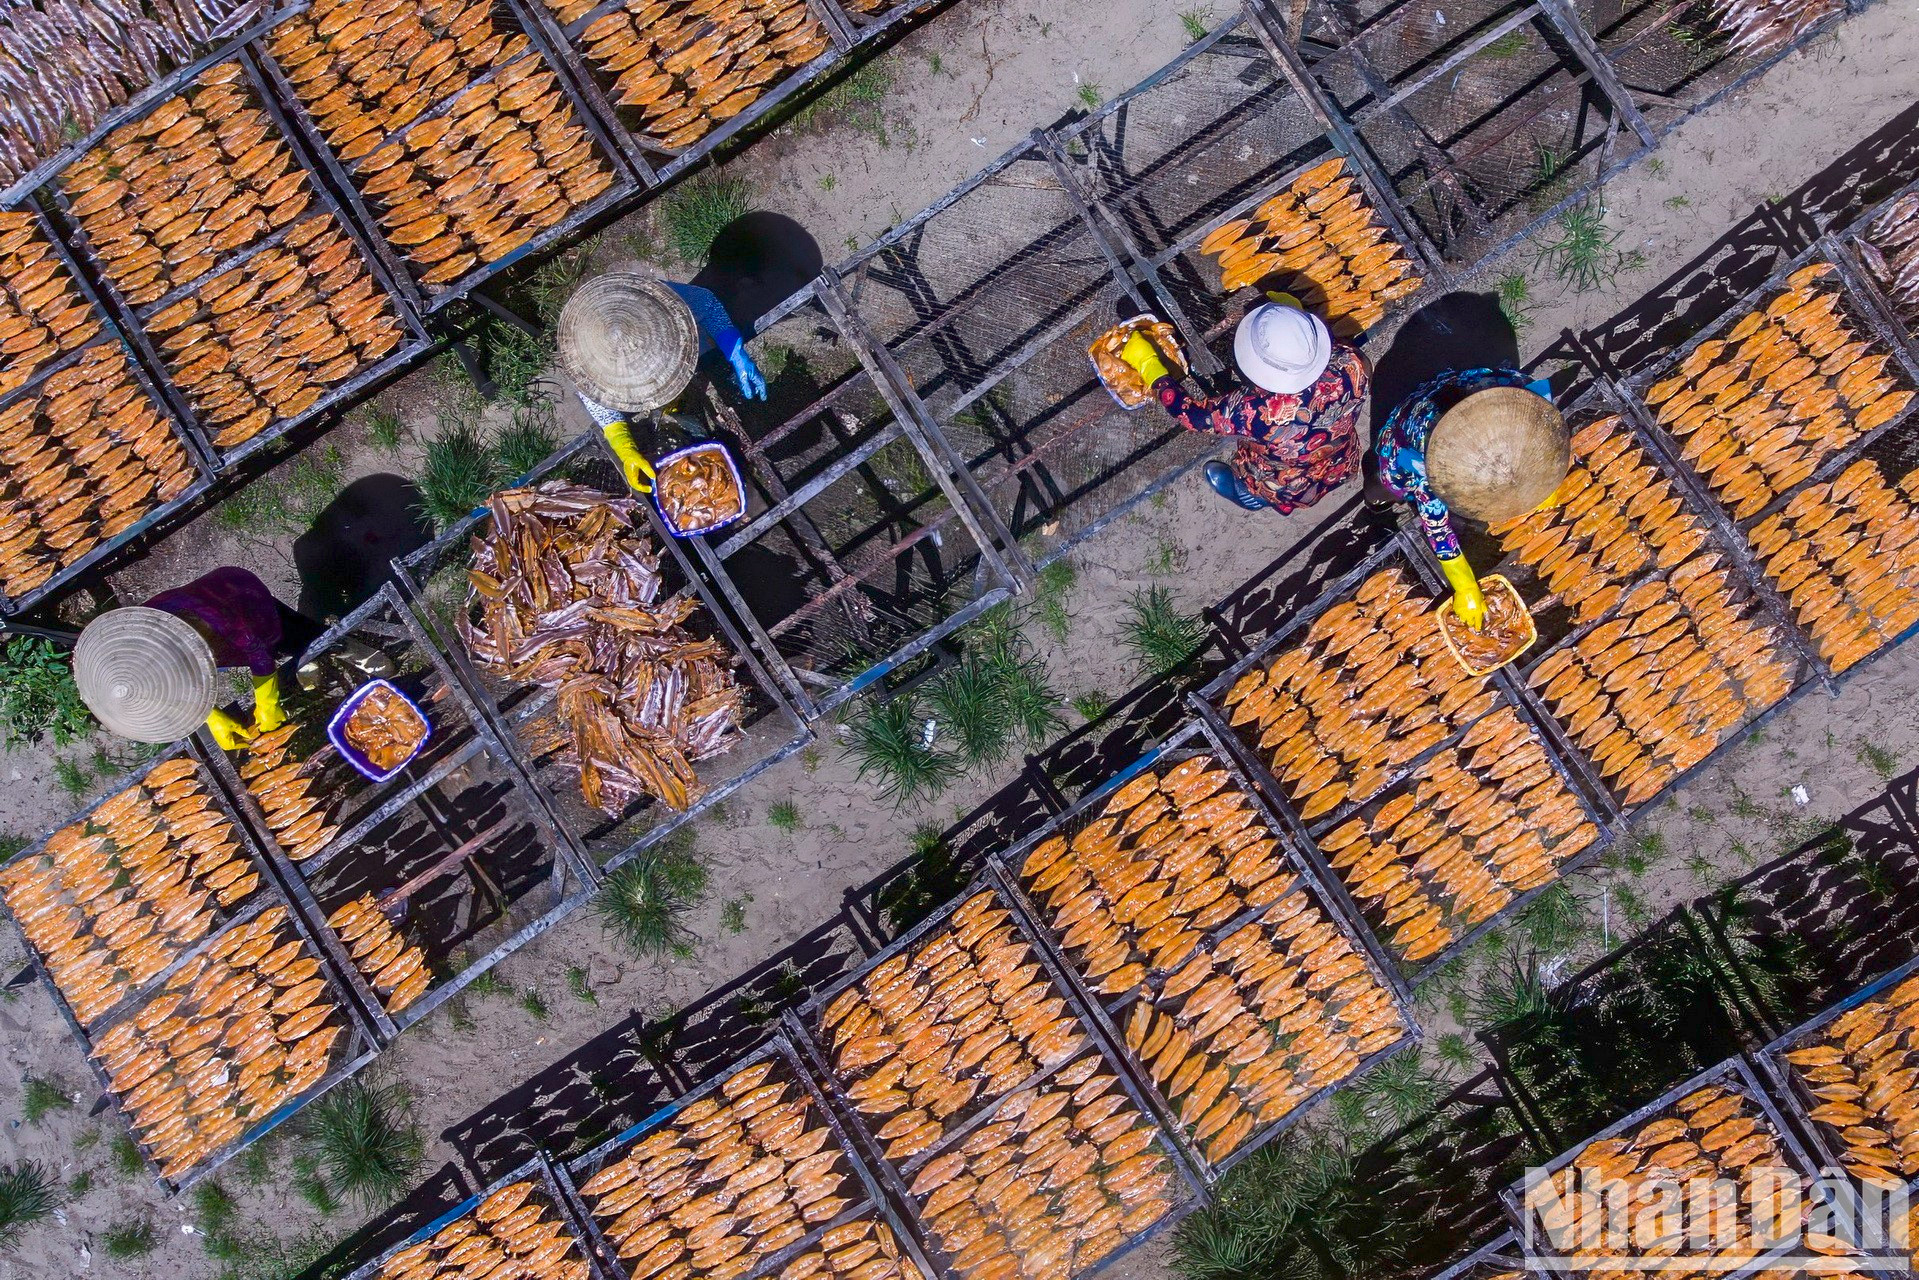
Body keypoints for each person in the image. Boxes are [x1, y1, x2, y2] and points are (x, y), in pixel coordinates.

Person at [1116, 296, 1371, 513]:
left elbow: (1191, 416)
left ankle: (1250, 496)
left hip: (1284, 483)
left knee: (1262, 485)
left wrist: (1151, 368)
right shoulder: (1353, 361)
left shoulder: (1255, 412)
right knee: (1328, 465)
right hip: (1338, 458)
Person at [1370, 368, 1570, 629]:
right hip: (1412, 428)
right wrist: (1465, 586)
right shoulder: (1430, 469)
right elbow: (1438, 531)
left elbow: (1548, 440)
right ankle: (1373, 494)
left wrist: (1541, 483)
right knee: (1389, 482)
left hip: (1466, 387)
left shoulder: (1521, 402)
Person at [555, 273, 765, 494]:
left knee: (702, 345)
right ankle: (673, 402)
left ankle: (677, 398)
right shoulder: (584, 362)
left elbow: (707, 303)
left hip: (665, 318)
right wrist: (624, 447)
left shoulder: (663, 301)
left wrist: (735, 352)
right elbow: (601, 408)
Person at [73, 568, 326, 748]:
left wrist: (267, 703)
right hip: (217, 638)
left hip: (242, 598)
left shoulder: (217, 619)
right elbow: (170, 688)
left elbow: (257, 652)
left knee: (293, 636)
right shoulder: (141, 650)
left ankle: (330, 645)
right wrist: (210, 716)